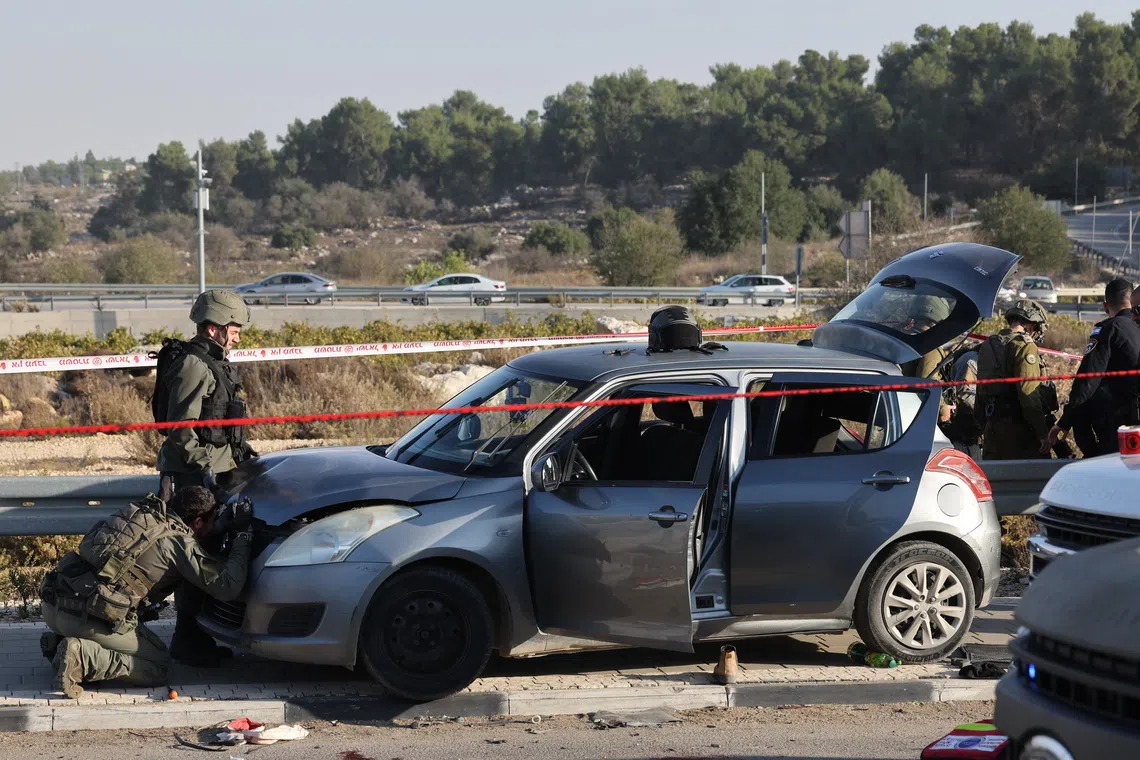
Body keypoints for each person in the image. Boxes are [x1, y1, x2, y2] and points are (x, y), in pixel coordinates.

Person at [39, 487, 252, 698]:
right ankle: (83, 656)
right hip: (87, 620)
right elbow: (227, 586)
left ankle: (59, 643)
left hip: (54, 606)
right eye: (212, 521)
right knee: (159, 667)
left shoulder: (139, 513)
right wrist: (242, 535)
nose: (214, 525)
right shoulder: (178, 542)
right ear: (197, 522)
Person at [153, 288, 256, 666]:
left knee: (208, 555)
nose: (238, 334)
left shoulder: (216, 362)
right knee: (192, 559)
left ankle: (198, 636)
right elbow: (179, 429)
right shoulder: (194, 365)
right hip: (191, 477)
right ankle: (187, 642)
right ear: (213, 328)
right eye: (233, 327)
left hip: (212, 472)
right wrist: (206, 471)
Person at [1048, 278, 1140, 457]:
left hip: (1121, 426)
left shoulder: (1111, 329)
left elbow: (1088, 381)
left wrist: (1065, 421)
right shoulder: (1132, 327)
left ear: (1106, 307)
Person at [975, 300, 1052, 460]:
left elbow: (980, 391)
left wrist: (982, 426)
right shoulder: (1024, 346)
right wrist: (1043, 433)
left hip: (992, 427)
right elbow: (1028, 394)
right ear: (1031, 324)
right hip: (1020, 431)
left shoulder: (988, 344)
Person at [900, 295, 954, 423]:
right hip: (916, 414)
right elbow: (927, 380)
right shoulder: (930, 347)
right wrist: (943, 408)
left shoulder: (905, 337)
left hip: (899, 407)